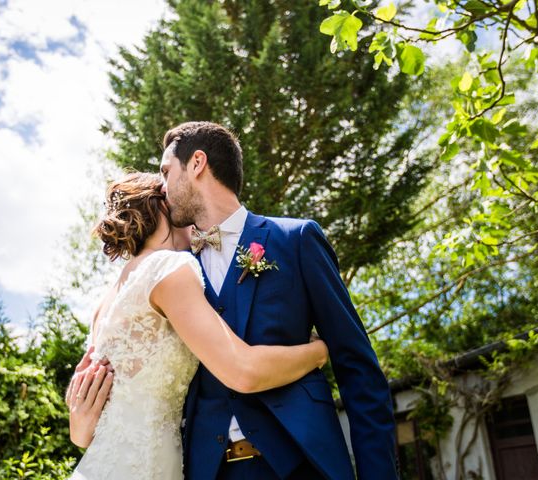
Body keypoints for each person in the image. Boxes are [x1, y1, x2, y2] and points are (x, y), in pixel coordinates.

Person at [159, 122, 399, 480]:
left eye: (166, 172)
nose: (163, 188)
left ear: (196, 163)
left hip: (303, 462)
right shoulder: (174, 270)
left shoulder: (295, 239)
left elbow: (358, 368)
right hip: (209, 470)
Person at [66, 172, 329, 480]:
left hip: (102, 465)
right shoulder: (170, 267)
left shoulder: (107, 298)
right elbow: (242, 370)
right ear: (164, 207)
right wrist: (319, 352)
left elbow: (84, 429)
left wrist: (77, 429)